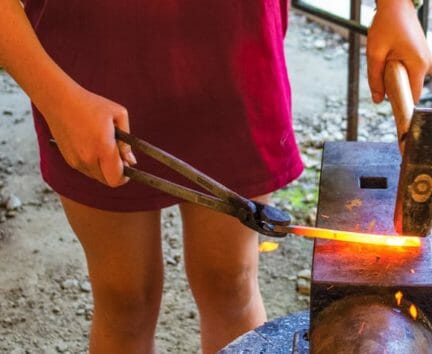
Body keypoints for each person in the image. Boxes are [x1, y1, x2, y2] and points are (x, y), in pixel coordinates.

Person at [1, 0, 430, 353]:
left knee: (231, 282)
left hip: (235, 65)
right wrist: (54, 95)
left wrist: (395, 5)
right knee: (123, 298)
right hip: (85, 71)